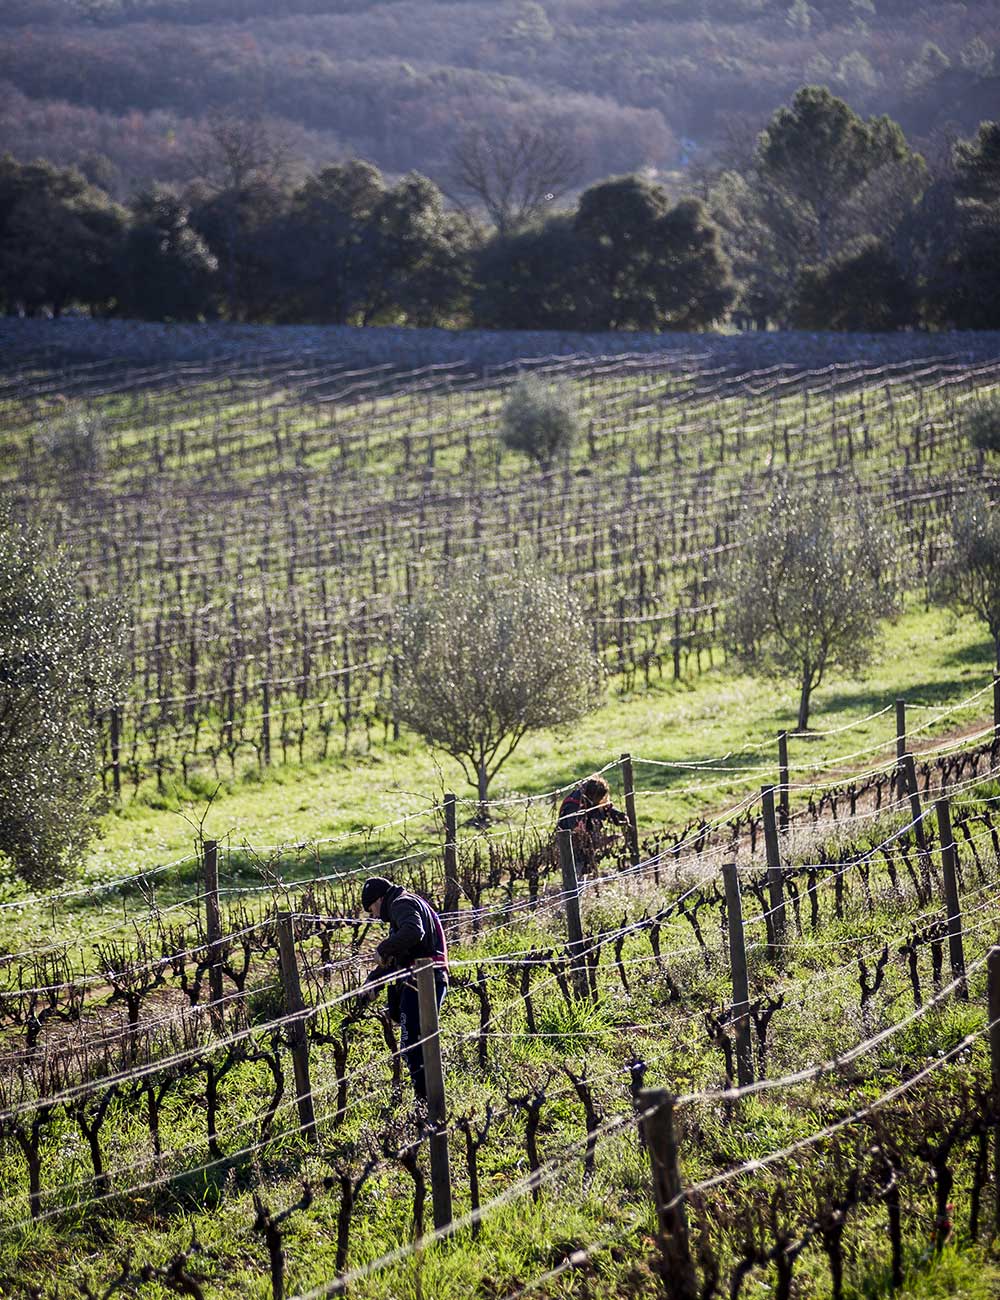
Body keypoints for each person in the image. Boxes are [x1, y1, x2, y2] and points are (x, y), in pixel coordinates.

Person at [358, 876, 449, 1100]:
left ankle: (424, 1100)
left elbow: (413, 932)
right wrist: (374, 982)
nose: (376, 916)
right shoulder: (408, 902)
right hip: (428, 977)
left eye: (373, 909)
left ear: (380, 899)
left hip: (423, 979)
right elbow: (403, 955)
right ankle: (428, 1097)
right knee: (419, 1039)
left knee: (411, 1041)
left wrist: (383, 948)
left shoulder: (401, 903)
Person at [556, 774, 629, 873]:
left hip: (586, 846)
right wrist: (601, 841)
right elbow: (577, 832)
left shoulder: (590, 799)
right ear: (593, 796)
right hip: (573, 848)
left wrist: (618, 815)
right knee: (577, 873)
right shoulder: (573, 807)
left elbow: (604, 808)